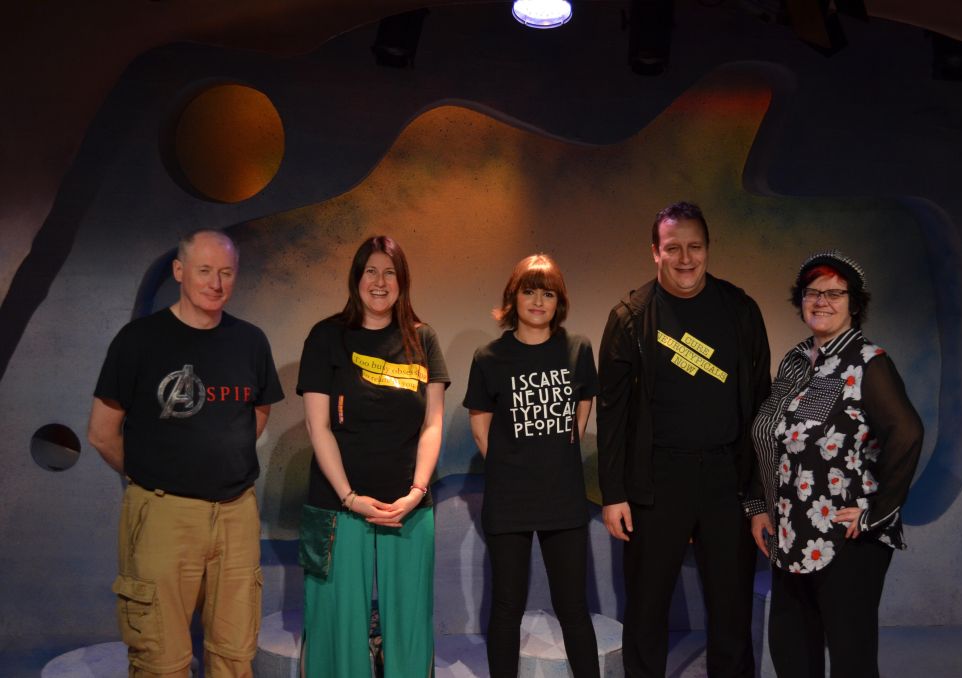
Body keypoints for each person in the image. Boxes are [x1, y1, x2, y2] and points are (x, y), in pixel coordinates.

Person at [87, 229, 284, 678]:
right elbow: (102, 433)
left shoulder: (250, 340)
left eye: (226, 272)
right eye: (204, 270)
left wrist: (219, 462)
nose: (216, 283)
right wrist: (157, 476)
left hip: (236, 514)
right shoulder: (138, 340)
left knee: (235, 655)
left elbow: (258, 410)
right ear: (179, 271)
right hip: (162, 515)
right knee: (161, 660)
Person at [598, 201, 771, 677]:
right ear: (654, 252)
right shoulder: (630, 318)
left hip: (726, 478)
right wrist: (614, 494)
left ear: (708, 249)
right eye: (673, 248)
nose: (685, 258)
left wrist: (758, 495)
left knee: (732, 611)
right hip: (656, 479)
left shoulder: (740, 310)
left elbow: (762, 406)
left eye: (695, 246)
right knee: (648, 611)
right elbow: (612, 417)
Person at [747, 250, 922, 678]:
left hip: (846, 538)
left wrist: (877, 512)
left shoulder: (868, 362)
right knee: (791, 652)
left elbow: (907, 433)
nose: (821, 301)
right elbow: (771, 436)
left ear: (854, 303)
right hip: (791, 532)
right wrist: (758, 506)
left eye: (834, 293)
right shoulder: (795, 360)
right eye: (812, 292)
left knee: (850, 657)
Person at [296, 235, 448, 678]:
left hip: (409, 508)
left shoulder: (424, 339)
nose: (380, 282)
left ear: (403, 281)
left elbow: (432, 424)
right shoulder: (326, 336)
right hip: (336, 506)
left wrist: (417, 491)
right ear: (356, 278)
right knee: (336, 624)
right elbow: (317, 426)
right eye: (371, 271)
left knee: (410, 626)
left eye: (390, 272)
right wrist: (348, 497)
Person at [464, 254, 600, 678]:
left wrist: (558, 453)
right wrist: (513, 468)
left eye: (548, 293)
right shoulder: (489, 357)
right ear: (513, 297)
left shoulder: (577, 348)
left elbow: (583, 403)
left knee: (574, 608)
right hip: (509, 501)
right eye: (529, 291)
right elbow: (481, 426)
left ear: (559, 301)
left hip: (563, 498)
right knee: (507, 607)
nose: (538, 301)